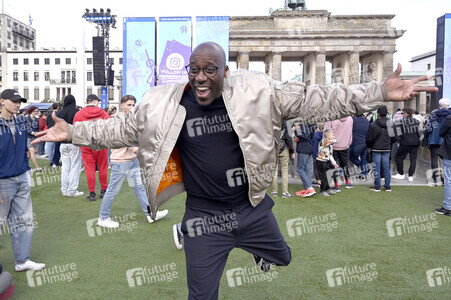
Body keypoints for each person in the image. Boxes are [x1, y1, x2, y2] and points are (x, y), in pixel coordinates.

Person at [33, 42, 437, 299]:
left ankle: (258, 253)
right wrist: (73, 132)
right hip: (204, 217)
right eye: (195, 69)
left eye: (211, 69)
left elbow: (321, 98)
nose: (201, 77)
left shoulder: (259, 90)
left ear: (225, 71)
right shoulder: (161, 102)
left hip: (251, 208)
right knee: (201, 296)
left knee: (284, 258)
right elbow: (119, 128)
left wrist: (380, 91)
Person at [97, 95, 168, 228]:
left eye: (133, 105)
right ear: (122, 105)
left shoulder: (131, 120)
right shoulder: (117, 120)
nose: (132, 107)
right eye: (129, 104)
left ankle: (151, 214)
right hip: (121, 161)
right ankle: (103, 217)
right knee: (113, 190)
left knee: (140, 187)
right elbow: (126, 141)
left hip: (132, 159)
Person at [0, 89, 46, 272]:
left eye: (19, 101)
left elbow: (26, 147)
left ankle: (22, 261)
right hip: (3, 182)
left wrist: (26, 169)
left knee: (24, 221)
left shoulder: (20, 122)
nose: (18, 104)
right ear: (2, 101)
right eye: (13, 101)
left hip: (21, 177)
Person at [73, 94, 110, 201]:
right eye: (97, 101)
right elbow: (110, 126)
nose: (98, 102)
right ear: (94, 101)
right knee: (103, 167)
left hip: (86, 144)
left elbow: (76, 129)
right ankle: (104, 190)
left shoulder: (79, 114)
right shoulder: (103, 113)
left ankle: (92, 193)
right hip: (101, 143)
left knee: (89, 168)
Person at [56, 95, 83, 197]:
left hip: (62, 142)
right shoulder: (77, 112)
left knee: (65, 167)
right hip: (74, 142)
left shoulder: (60, 113)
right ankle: (72, 190)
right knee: (75, 167)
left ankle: (64, 189)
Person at [425, 98, 451, 185]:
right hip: (446, 140)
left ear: (439, 105)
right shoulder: (450, 115)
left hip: (434, 139)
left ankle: (436, 178)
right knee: (446, 159)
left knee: (434, 159)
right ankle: (446, 177)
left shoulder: (433, 114)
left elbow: (429, 128)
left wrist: (426, 136)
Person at [324, 116, 354, 191]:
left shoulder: (331, 118)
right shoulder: (350, 118)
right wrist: (349, 142)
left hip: (333, 146)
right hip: (344, 145)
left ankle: (336, 185)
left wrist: (325, 144)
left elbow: (326, 132)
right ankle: (347, 182)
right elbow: (350, 132)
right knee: (345, 164)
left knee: (333, 166)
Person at [366, 106, 392, 192]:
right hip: (386, 148)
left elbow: (368, 138)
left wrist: (369, 145)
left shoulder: (373, 124)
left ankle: (377, 186)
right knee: (386, 167)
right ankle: (387, 186)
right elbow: (395, 137)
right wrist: (389, 143)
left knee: (376, 167)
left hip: (376, 148)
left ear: (378, 114)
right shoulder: (391, 124)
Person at [392, 107, 420, 181]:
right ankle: (411, 175)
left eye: (402, 113)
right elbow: (420, 132)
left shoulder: (400, 122)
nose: (402, 115)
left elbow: (397, 133)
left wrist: (399, 140)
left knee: (399, 158)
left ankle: (401, 174)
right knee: (413, 159)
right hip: (415, 142)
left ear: (406, 113)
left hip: (405, 142)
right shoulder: (416, 121)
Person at [271, 120, 295, 198]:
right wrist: (292, 151)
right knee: (285, 170)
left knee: (274, 171)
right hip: (284, 149)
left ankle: (274, 192)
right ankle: (285, 192)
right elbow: (289, 139)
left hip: (274, 149)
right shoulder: (286, 124)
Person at [435, 111, 451, 216]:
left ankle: (448, 207)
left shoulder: (449, 119)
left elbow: (441, 133)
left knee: (449, 179)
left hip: (449, 151)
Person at [294, 122, 316, 197]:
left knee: (300, 169)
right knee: (306, 170)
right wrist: (294, 132)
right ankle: (307, 188)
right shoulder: (308, 125)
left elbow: (303, 136)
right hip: (307, 149)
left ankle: (309, 187)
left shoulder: (304, 126)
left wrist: (296, 129)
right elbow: (297, 139)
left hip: (304, 150)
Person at [316, 129, 339, 197]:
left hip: (326, 161)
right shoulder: (323, 141)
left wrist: (334, 163)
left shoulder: (330, 145)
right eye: (332, 135)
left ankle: (328, 189)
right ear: (328, 136)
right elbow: (330, 142)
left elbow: (330, 155)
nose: (333, 136)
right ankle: (322, 190)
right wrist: (336, 140)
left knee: (328, 176)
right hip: (320, 161)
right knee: (323, 177)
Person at [350, 114, 369, 181]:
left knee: (352, 157)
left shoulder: (353, 121)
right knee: (364, 159)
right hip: (365, 142)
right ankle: (364, 173)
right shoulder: (366, 121)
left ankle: (365, 170)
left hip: (356, 143)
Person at [25, 106, 42, 172]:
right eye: (35, 111)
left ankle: (25, 165)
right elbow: (24, 128)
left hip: (34, 137)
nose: (36, 112)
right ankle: (37, 167)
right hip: (28, 137)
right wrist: (31, 132)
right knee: (32, 152)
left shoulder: (36, 119)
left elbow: (37, 128)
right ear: (31, 111)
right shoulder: (26, 118)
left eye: (37, 111)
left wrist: (37, 133)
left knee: (29, 154)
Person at [45, 103, 61, 168]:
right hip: (57, 132)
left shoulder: (49, 115)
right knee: (56, 148)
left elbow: (47, 123)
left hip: (50, 132)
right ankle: (55, 161)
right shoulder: (59, 114)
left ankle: (51, 160)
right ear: (58, 107)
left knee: (50, 147)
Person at [311, 123, 325, 187]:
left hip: (315, 152)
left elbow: (312, 142)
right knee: (321, 167)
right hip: (323, 153)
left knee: (316, 167)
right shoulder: (325, 135)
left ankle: (317, 180)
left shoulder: (315, 134)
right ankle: (322, 179)